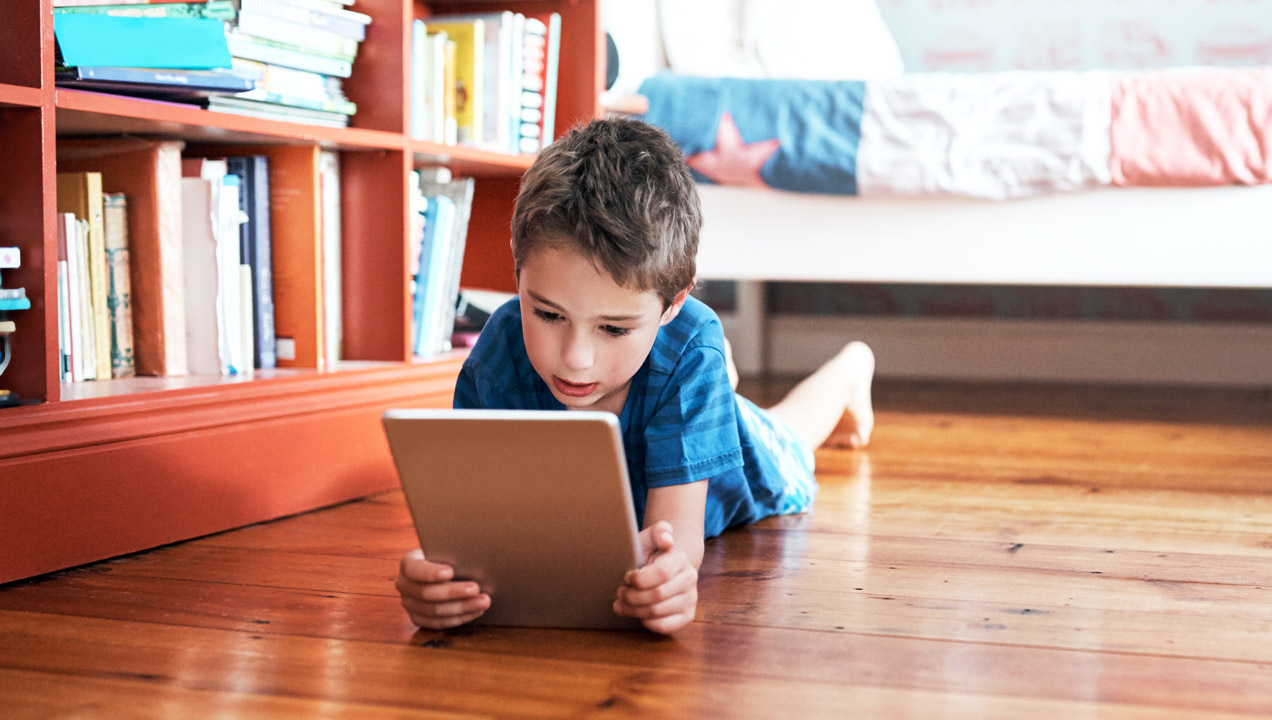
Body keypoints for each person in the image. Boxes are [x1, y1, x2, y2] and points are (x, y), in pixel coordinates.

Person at [396, 117, 875, 635]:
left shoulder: (690, 338)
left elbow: (677, 536)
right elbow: (471, 524)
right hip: (668, 392)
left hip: (743, 458)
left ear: (673, 304)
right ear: (518, 275)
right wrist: (434, 574)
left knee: (794, 433)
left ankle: (849, 367)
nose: (576, 358)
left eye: (614, 328)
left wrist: (672, 574)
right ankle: (709, 383)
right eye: (549, 315)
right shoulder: (499, 353)